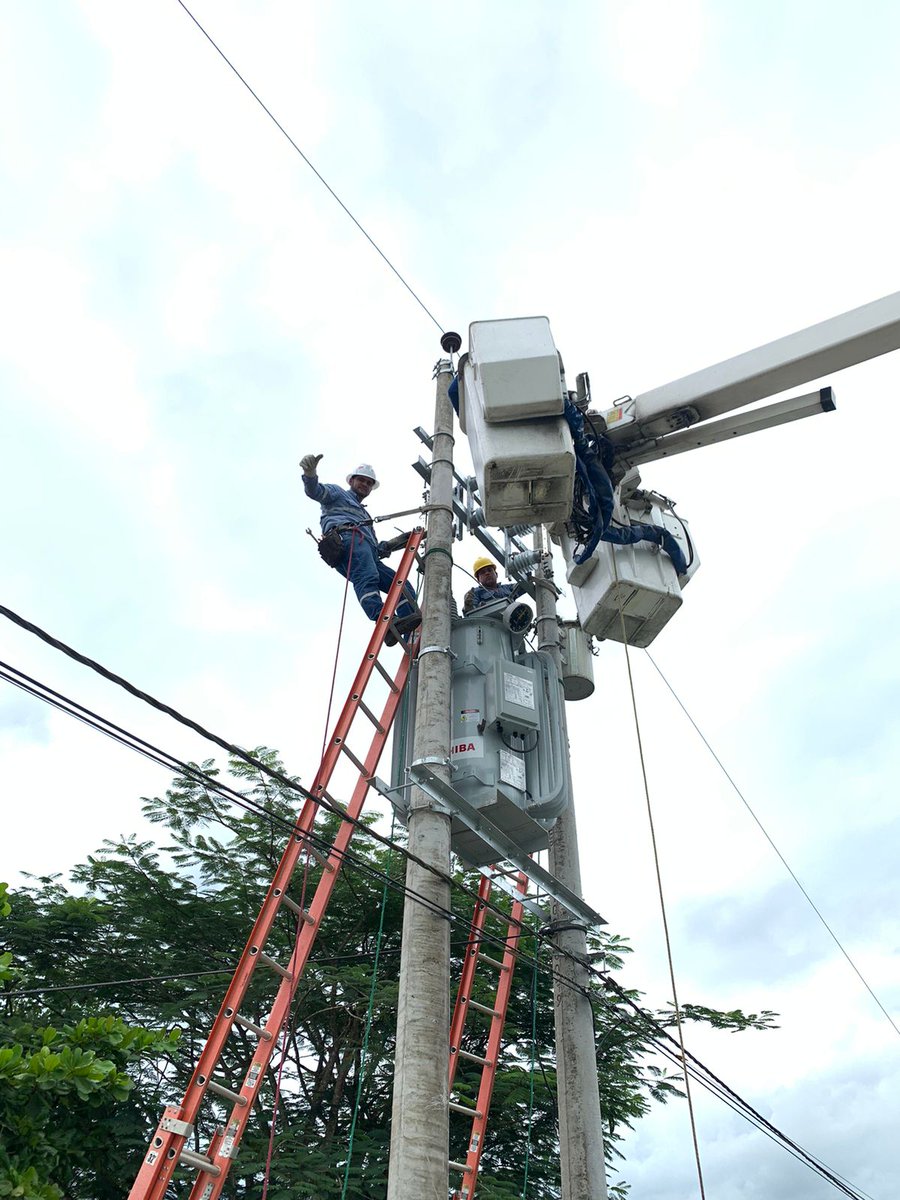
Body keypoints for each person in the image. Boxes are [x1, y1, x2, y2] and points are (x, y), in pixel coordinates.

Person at [300, 454, 420, 642]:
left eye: (369, 483)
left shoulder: (365, 515)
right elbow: (316, 492)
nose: (365, 484)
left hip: (365, 550)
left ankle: (407, 630)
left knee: (401, 586)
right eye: (361, 480)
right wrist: (310, 474)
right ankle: (384, 622)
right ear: (352, 480)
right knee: (366, 577)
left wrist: (391, 544)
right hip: (346, 539)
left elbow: (373, 550)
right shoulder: (338, 493)